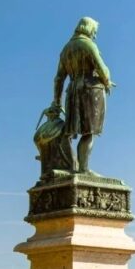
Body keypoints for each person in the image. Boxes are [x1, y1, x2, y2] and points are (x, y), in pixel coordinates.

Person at [52, 16, 114, 174]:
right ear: (89, 28)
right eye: (95, 31)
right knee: (89, 132)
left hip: (72, 92)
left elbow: (59, 78)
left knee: (74, 131)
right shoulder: (88, 45)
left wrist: (56, 102)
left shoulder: (66, 49)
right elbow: (102, 69)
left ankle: (75, 167)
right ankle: (83, 169)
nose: (95, 34)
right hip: (91, 91)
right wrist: (107, 81)